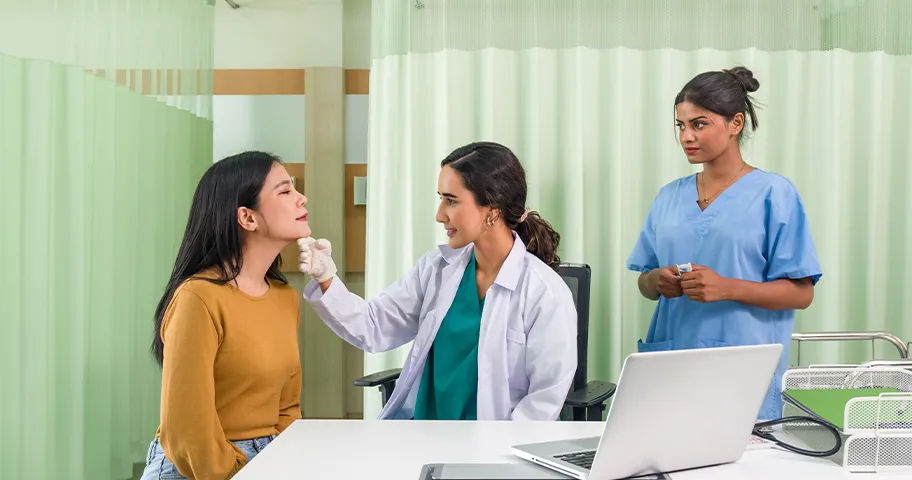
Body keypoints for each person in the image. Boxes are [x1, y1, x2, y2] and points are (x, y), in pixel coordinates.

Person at [297, 141, 577, 421]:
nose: (439, 214)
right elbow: (374, 326)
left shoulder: (545, 293)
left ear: (492, 209)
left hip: (493, 449)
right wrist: (326, 278)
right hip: (422, 437)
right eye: (441, 198)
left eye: (451, 200)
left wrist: (493, 457)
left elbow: (543, 401)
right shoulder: (436, 269)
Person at [627, 67, 822, 421]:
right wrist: (658, 281)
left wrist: (726, 287)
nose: (687, 136)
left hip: (742, 372)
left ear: (735, 123)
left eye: (699, 124)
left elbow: (801, 292)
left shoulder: (774, 194)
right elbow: (644, 281)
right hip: (671, 367)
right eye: (680, 126)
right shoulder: (669, 197)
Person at [140, 151, 307, 480]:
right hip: (198, 467)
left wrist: (285, 459)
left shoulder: (284, 298)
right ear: (247, 218)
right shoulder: (198, 298)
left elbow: (287, 406)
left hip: (269, 457)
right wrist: (234, 470)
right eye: (285, 191)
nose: (301, 199)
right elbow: (187, 427)